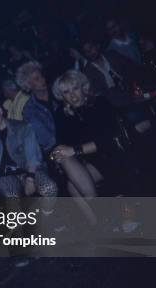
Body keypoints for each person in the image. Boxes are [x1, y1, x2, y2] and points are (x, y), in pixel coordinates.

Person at [51, 70, 136, 200]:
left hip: (114, 153)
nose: (72, 95)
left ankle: (99, 209)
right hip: (89, 161)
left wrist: (75, 150)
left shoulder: (99, 103)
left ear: (83, 88)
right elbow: (61, 143)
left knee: (74, 186)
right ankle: (96, 218)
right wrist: (56, 155)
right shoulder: (61, 114)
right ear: (61, 96)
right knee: (70, 180)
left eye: (75, 88)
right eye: (66, 92)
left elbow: (109, 139)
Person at [16, 61, 58, 155]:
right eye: (37, 79)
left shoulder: (58, 91)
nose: (42, 80)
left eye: (41, 76)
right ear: (28, 85)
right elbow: (47, 140)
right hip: (57, 148)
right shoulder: (29, 110)